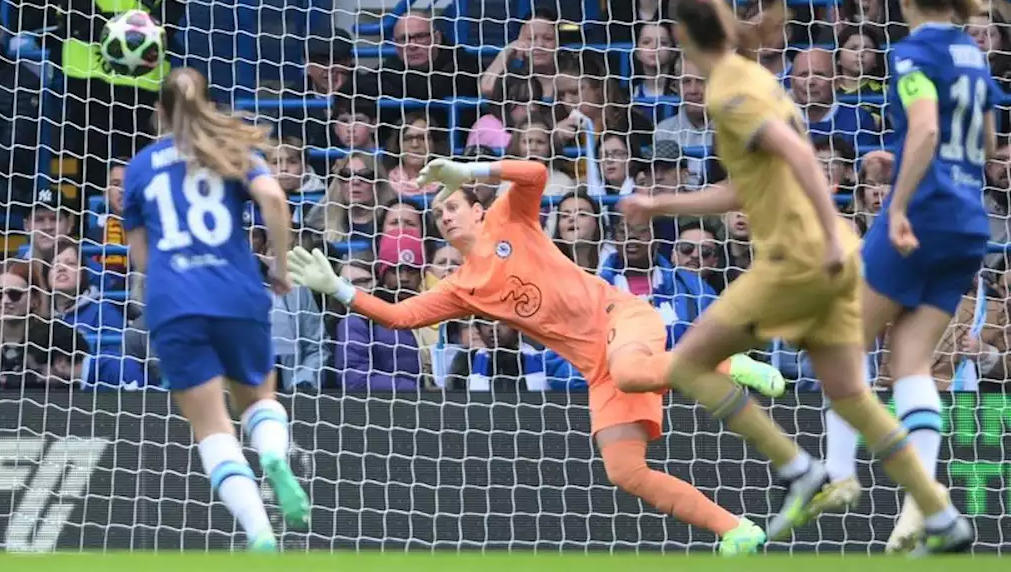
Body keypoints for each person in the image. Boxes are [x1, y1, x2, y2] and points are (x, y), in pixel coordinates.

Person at [618, 0, 972, 553]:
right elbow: (744, 188)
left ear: (680, 36)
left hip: (798, 259)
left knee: (685, 363)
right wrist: (660, 204)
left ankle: (797, 467)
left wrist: (827, 230)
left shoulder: (730, 90)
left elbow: (799, 152)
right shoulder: (755, 76)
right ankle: (940, 514)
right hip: (833, 255)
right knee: (853, 395)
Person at [288, 158, 785, 557]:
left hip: (622, 318)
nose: (446, 214)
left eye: (454, 204)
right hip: (599, 367)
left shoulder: (511, 218)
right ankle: (737, 529)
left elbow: (537, 176)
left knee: (634, 373)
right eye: (439, 214)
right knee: (625, 471)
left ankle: (727, 365)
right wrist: (337, 288)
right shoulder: (462, 288)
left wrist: (473, 170)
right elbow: (399, 317)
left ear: (478, 210)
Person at [817, 0, 997, 553]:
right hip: (969, 223)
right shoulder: (974, 54)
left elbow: (923, 127)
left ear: (904, 0)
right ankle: (924, 504)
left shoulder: (913, 53)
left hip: (923, 216)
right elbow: (984, 141)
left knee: (842, 343)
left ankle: (837, 473)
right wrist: (909, 160)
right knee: (911, 364)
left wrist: (896, 202)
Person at [122, 68, 309, 550]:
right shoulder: (232, 148)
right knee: (260, 402)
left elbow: (140, 255)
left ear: (159, 113)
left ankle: (259, 533)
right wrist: (282, 265)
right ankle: (274, 458)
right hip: (236, 290)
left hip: (175, 300)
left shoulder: (141, 166)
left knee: (211, 427)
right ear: (208, 103)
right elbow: (271, 196)